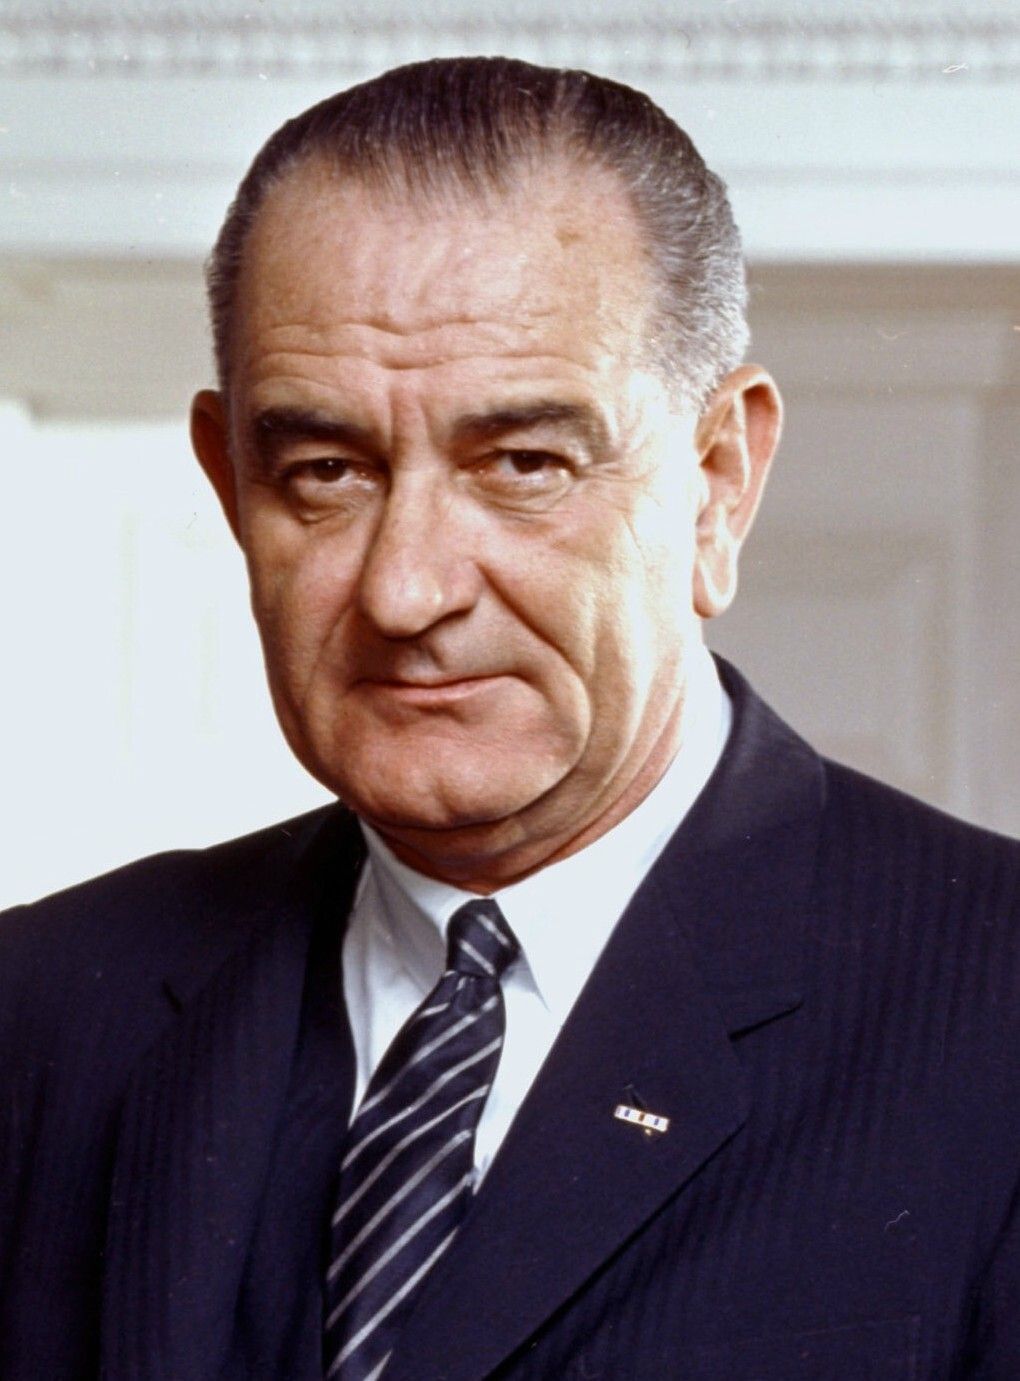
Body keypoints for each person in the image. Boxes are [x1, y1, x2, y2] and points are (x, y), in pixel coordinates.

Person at [1, 56, 1018, 1381]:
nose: (406, 588)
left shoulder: (994, 1008)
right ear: (229, 480)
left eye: (524, 463)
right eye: (326, 470)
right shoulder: (37, 1012)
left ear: (718, 481)